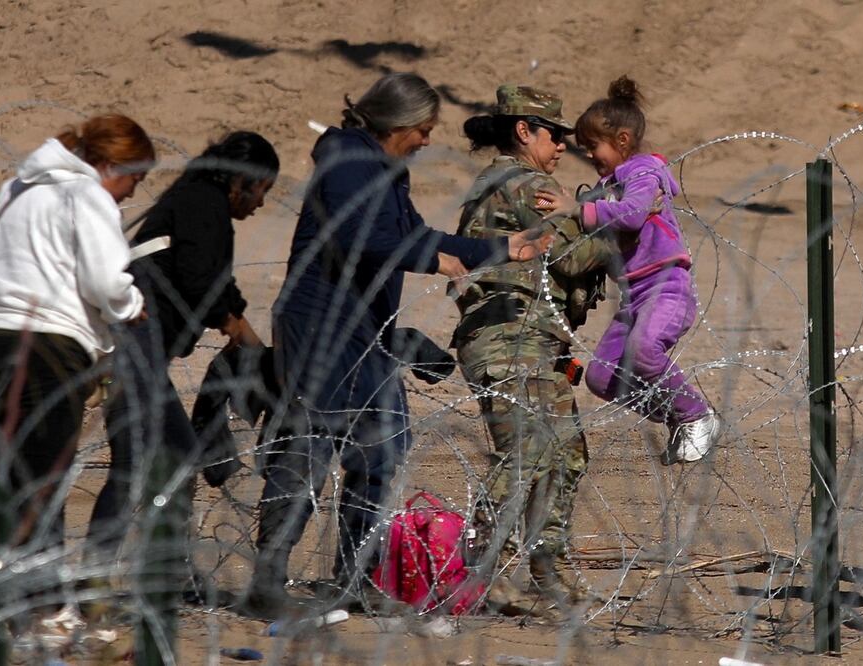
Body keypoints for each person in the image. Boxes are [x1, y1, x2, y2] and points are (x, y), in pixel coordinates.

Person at [244, 72, 551, 617]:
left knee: (382, 447)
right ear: (399, 123)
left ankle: (356, 575)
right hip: (319, 324)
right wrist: (431, 259)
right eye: (424, 130)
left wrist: (504, 249)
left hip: (362, 331)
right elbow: (361, 236)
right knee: (312, 445)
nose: (428, 141)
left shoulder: (387, 172)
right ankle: (269, 579)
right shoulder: (345, 158)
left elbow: (418, 236)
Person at [83, 131, 278, 613]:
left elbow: (208, 277)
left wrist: (239, 325)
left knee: (146, 463)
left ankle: (127, 573)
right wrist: (242, 332)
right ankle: (145, 574)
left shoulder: (195, 201)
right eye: (261, 191)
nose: (259, 204)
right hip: (132, 350)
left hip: (130, 351)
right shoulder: (202, 203)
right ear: (241, 181)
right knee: (166, 458)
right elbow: (201, 280)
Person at [452, 84, 613, 611]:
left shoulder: (507, 182)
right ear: (524, 132)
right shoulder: (525, 183)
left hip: (531, 337)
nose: (563, 146)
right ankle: (478, 566)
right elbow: (575, 256)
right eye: (554, 135)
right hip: (508, 336)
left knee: (564, 453)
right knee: (527, 453)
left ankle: (550, 568)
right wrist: (612, 219)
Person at [0, 114, 152, 568]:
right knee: (45, 479)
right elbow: (106, 281)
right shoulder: (87, 194)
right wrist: (130, 308)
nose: (132, 193)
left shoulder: (16, 188)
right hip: (50, 345)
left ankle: (7, 590)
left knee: (14, 472)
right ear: (111, 165)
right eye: (135, 180)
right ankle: (43, 607)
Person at [537, 76, 721, 464]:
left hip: (665, 284)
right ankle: (677, 415)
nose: (588, 155)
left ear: (622, 140)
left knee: (644, 351)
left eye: (593, 147)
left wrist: (577, 209)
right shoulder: (608, 184)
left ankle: (697, 414)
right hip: (633, 294)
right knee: (601, 379)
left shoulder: (641, 172)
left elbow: (635, 215)